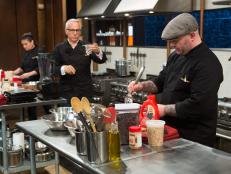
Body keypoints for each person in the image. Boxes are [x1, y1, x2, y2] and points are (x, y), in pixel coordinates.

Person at [128, 13, 223, 147]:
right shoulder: (176, 56)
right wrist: (140, 86)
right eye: (170, 41)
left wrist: (164, 109)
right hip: (171, 133)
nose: (172, 45)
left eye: (175, 41)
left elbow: (199, 105)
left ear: (192, 35)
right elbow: (159, 83)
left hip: (194, 139)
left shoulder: (208, 64)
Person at [53, 19, 107, 104]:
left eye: (77, 30)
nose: (75, 33)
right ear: (66, 31)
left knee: (86, 117)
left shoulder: (86, 46)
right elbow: (52, 69)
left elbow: (101, 60)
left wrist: (98, 51)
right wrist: (63, 68)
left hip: (85, 92)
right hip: (67, 92)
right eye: (72, 30)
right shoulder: (59, 48)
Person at [13, 32, 41, 120]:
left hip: (38, 83)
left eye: (26, 44)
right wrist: (13, 73)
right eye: (23, 44)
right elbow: (22, 67)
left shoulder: (40, 51)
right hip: (27, 84)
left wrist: (28, 74)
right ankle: (31, 125)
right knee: (30, 107)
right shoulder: (25, 53)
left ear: (32, 42)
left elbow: (40, 68)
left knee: (45, 105)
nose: (24, 46)